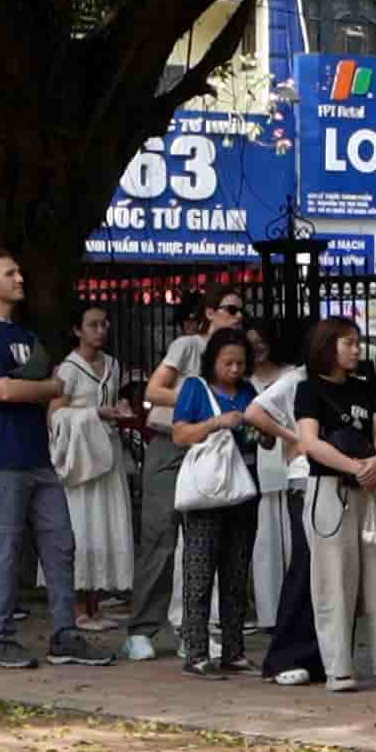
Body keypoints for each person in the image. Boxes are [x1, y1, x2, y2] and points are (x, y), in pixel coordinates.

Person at [0, 248, 114, 669]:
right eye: (11, 273)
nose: (20, 278)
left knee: (61, 544)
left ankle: (65, 633)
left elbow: (52, 386)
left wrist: (14, 388)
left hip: (38, 455)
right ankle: (0, 638)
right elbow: (15, 390)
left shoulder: (28, 336)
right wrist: (22, 388)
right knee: (4, 548)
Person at [293, 316, 376, 692]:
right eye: (348, 343)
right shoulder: (308, 390)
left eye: (357, 342)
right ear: (328, 347)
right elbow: (309, 441)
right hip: (331, 489)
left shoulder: (367, 384)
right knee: (333, 577)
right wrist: (353, 468)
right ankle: (338, 666)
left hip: (371, 488)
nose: (357, 350)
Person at [132, 282, 246, 662]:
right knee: (161, 536)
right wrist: (200, 398)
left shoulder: (235, 359)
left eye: (240, 311)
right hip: (173, 442)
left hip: (213, 450)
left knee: (204, 545)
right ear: (211, 312)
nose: (237, 316)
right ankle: (143, 627)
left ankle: (193, 630)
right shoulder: (188, 347)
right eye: (230, 308)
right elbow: (155, 389)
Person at [170, 327, 260, 680]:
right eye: (228, 363)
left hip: (244, 489)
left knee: (237, 573)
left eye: (240, 363)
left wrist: (258, 430)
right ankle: (196, 650)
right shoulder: (196, 388)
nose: (235, 370)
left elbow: (260, 439)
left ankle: (233, 649)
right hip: (207, 492)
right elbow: (180, 434)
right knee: (199, 571)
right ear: (213, 362)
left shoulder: (249, 392)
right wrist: (216, 422)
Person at [245, 350, 325, 686]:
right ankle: (286, 655)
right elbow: (255, 412)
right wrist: (296, 439)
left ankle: (319, 655)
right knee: (305, 567)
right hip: (304, 479)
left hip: (334, 478)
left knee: (325, 572)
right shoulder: (297, 380)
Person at [51, 303, 131, 633]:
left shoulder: (113, 365)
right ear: (78, 330)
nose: (100, 331)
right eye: (93, 325)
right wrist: (95, 414)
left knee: (105, 524)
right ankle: (78, 607)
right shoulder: (68, 370)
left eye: (104, 324)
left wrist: (118, 410)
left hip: (107, 453)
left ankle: (95, 605)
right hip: (82, 459)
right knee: (81, 525)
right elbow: (55, 415)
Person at [245, 320, 292, 633]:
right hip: (257, 473)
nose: (257, 347)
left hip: (290, 467)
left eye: (261, 339)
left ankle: (295, 611)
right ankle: (269, 615)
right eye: (251, 342)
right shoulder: (243, 381)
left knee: (293, 545)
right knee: (264, 549)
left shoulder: (290, 376)